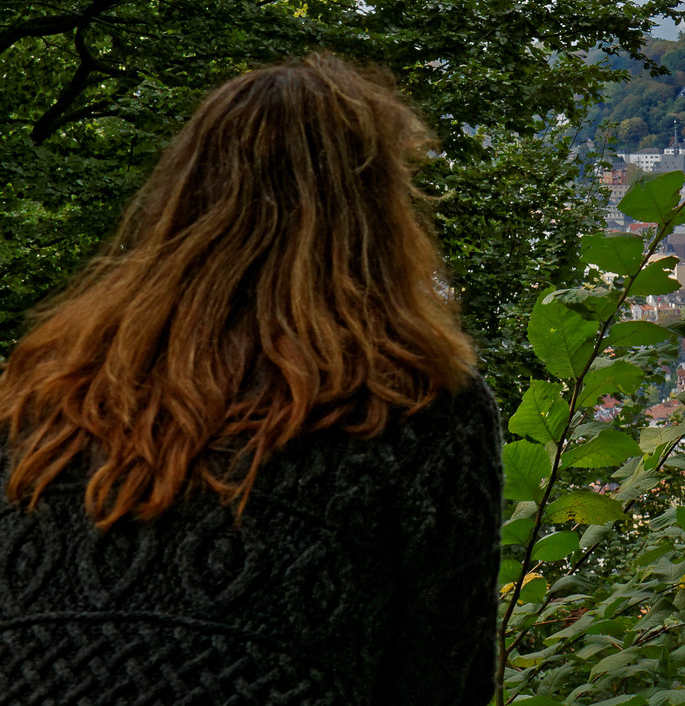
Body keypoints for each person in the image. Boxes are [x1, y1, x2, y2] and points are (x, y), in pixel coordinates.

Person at [0, 55, 501, 705]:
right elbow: (442, 682)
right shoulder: (418, 408)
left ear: (183, 196)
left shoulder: (44, 389)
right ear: (381, 215)